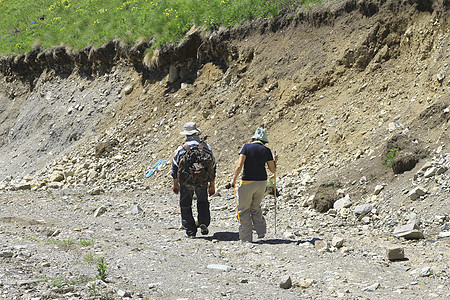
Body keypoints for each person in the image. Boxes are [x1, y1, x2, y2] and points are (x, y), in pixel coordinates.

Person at [229, 127, 277, 243]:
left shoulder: (246, 147)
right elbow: (273, 170)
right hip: (261, 183)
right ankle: (261, 231)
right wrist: (275, 161)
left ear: (254, 138)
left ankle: (246, 238)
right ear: (264, 140)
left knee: (244, 210)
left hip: (247, 182)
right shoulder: (267, 150)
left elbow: (239, 165)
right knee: (255, 207)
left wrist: (233, 180)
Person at [172, 122, 216, 238]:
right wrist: (212, 184)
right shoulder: (206, 147)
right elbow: (213, 166)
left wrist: (175, 184)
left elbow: (175, 168)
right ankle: (203, 222)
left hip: (186, 183)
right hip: (202, 181)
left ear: (186, 135)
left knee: (185, 205)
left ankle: (190, 231)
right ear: (197, 133)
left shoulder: (181, 149)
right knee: (203, 202)